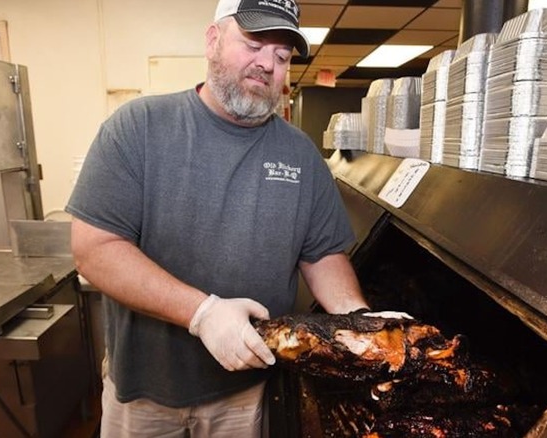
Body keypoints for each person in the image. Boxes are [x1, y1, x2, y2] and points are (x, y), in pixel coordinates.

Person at [67, 0, 370, 436]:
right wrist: (203, 313)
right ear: (213, 40)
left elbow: (322, 254)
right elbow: (95, 251)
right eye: (253, 44)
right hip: (143, 394)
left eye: (282, 56)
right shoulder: (138, 128)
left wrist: (357, 320)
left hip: (245, 394)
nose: (267, 63)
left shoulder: (300, 154)